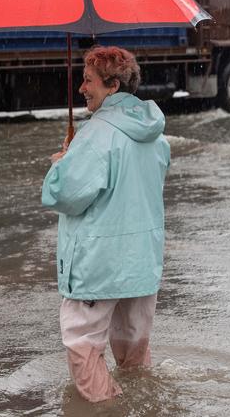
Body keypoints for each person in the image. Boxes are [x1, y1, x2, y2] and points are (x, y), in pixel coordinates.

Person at [41, 46, 170, 402]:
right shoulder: (156, 137)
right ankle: (143, 407)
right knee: (135, 357)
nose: (82, 88)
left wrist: (62, 163)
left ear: (112, 86)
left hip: (100, 265)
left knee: (83, 346)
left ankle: (107, 410)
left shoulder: (95, 134)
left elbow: (64, 195)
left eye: (88, 80)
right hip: (141, 263)